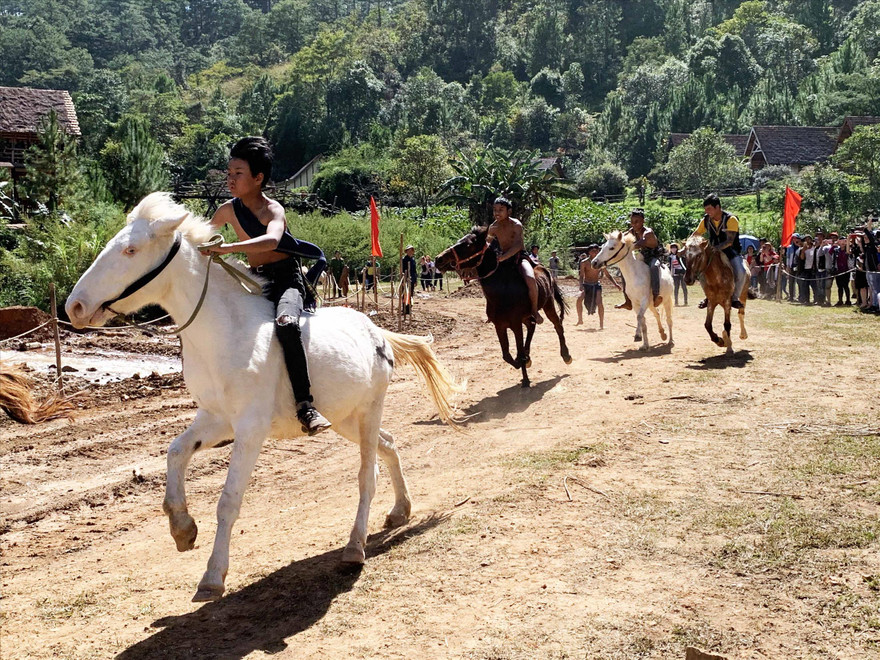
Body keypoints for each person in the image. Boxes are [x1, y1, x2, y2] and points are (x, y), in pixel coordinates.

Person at [203, 136, 331, 435]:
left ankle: (305, 406)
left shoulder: (273, 210)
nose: (230, 179)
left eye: (238, 173)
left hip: (287, 280)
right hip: (255, 280)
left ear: (258, 178)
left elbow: (272, 240)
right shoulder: (227, 210)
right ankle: (228, 408)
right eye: (229, 173)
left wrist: (229, 248)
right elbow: (201, 236)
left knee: (286, 324)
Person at [487, 196, 542, 323]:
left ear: (509, 211)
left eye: (501, 209)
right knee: (488, 282)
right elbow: (488, 244)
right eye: (495, 209)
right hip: (502, 258)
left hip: (519, 257)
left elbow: (518, 245)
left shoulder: (516, 224)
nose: (497, 212)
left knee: (530, 278)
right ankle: (491, 312)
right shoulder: (493, 228)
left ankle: (534, 310)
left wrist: (504, 257)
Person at [691, 194, 746, 309]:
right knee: (701, 272)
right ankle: (708, 296)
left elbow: (730, 241)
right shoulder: (706, 220)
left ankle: (734, 298)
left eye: (709, 209)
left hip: (731, 252)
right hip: (712, 253)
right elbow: (696, 234)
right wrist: (688, 244)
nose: (707, 212)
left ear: (717, 207)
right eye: (705, 209)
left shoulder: (731, 219)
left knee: (741, 272)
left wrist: (716, 248)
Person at [616, 208, 663, 310]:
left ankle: (656, 295)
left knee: (654, 267)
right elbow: (623, 236)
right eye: (632, 222)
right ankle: (628, 301)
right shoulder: (632, 231)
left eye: (636, 222)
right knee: (625, 271)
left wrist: (629, 247)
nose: (634, 224)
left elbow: (642, 242)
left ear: (643, 221)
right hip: (642, 257)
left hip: (654, 256)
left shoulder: (648, 232)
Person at [576, 244, 618, 329]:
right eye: (593, 251)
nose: (595, 252)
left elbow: (607, 274)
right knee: (579, 299)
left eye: (596, 251)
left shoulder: (600, 262)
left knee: (599, 303)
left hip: (596, 285)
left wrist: (615, 283)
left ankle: (601, 324)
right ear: (589, 252)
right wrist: (581, 285)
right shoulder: (584, 262)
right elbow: (581, 276)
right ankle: (580, 320)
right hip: (586, 284)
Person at [797, 235, 817, 304]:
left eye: (809, 239)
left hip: (813, 269)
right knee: (805, 285)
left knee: (814, 285)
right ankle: (807, 300)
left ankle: (816, 299)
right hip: (805, 269)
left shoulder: (814, 248)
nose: (807, 241)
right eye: (806, 239)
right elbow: (802, 258)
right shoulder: (802, 249)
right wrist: (803, 250)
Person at [784, 234, 803, 301]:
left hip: (800, 267)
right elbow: (788, 257)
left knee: (799, 282)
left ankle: (800, 296)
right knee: (791, 282)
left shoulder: (801, 246)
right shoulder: (789, 247)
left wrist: (800, 246)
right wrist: (788, 266)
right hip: (792, 266)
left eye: (796, 238)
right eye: (793, 238)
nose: (795, 240)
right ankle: (791, 296)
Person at [401, 245, 417, 313]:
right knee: (405, 293)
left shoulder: (413, 260)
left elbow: (414, 271)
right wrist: (403, 280)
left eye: (411, 250)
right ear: (406, 251)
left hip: (412, 279)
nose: (410, 252)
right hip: (406, 278)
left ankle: (409, 308)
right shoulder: (404, 259)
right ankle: (405, 308)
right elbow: (402, 270)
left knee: (411, 293)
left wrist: (415, 280)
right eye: (409, 250)